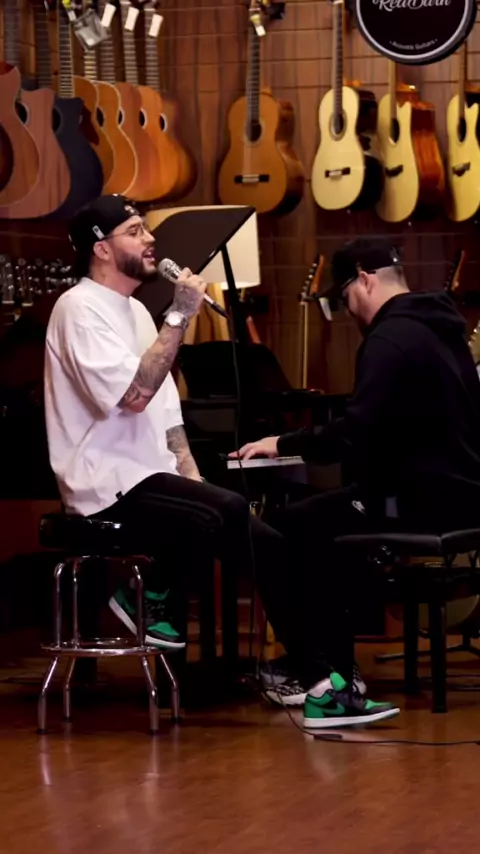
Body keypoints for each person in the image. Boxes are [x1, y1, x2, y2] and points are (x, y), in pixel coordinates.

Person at [44, 198, 399, 729]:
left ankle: (322, 681)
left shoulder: (135, 312)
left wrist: (193, 479)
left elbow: (167, 415)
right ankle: (156, 603)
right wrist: (180, 314)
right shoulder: (78, 309)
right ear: (102, 248)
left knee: (270, 541)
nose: (149, 239)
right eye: (135, 231)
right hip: (105, 484)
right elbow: (135, 394)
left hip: (148, 478)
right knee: (231, 512)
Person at [233, 237, 480, 705]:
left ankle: (324, 671)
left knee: (281, 528)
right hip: (460, 493)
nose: (347, 310)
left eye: (345, 296)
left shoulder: (388, 339)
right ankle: (327, 661)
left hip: (418, 500)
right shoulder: (443, 326)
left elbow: (354, 433)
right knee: (319, 521)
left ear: (364, 280)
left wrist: (282, 443)